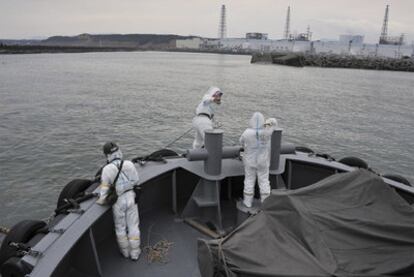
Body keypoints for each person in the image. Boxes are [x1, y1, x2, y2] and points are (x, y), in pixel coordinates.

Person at [96, 142, 141, 261]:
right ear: (119, 151)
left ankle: (125, 252)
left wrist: (101, 200)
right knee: (133, 226)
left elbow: (104, 192)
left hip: (118, 201)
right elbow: (136, 181)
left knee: (120, 228)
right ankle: (135, 253)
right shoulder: (129, 164)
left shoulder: (106, 170)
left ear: (107, 155)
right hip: (131, 197)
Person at [239, 112, 273, 208]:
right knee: (264, 181)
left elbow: (241, 141)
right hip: (263, 162)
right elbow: (273, 122)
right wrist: (268, 123)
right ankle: (265, 203)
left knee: (249, 180)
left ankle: (247, 202)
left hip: (250, 161)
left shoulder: (246, 132)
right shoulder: (267, 132)